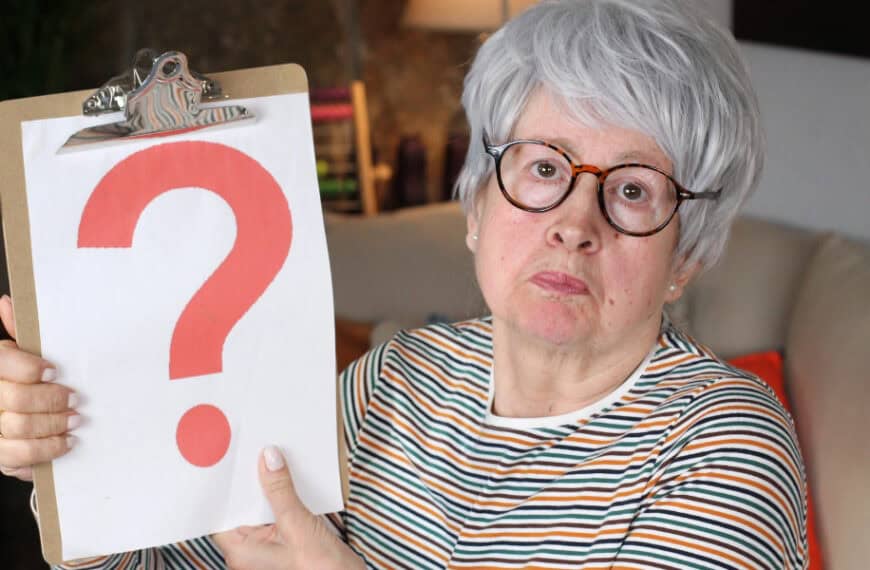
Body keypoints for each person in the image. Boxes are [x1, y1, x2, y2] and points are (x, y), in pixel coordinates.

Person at [0, 0, 808, 567]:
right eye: (544, 167)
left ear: (688, 256)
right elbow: (196, 564)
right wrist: (77, 454)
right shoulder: (400, 377)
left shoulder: (726, 450)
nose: (574, 221)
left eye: (632, 189)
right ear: (476, 206)